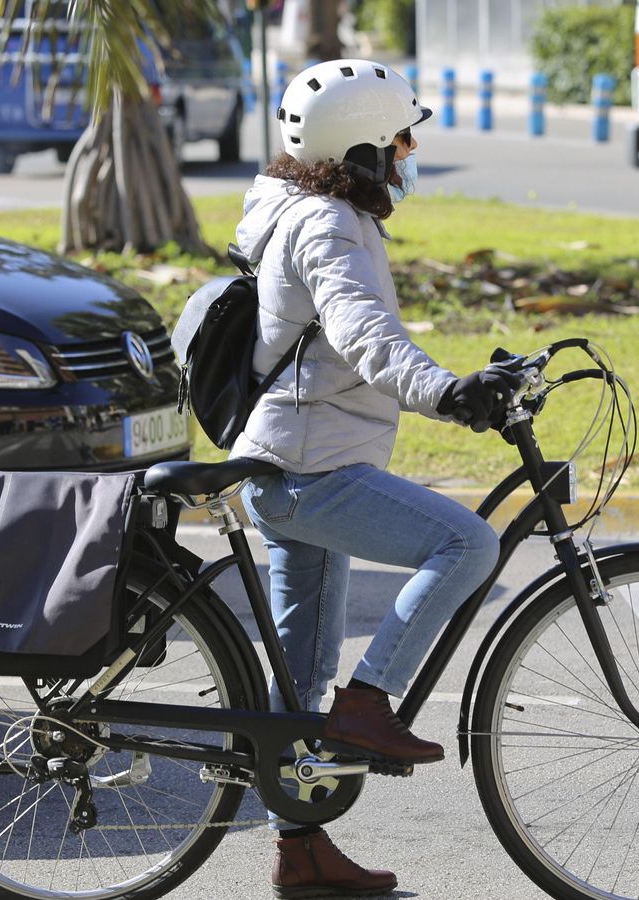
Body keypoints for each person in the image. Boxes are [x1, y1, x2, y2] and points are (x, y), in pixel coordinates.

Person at [231, 59, 519, 898]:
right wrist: (445, 392)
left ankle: (301, 852)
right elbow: (363, 334)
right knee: (466, 543)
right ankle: (369, 707)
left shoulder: (320, 212)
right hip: (308, 471)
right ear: (357, 144)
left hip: (293, 461)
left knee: (298, 673)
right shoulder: (325, 225)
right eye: (399, 137)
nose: (410, 150)